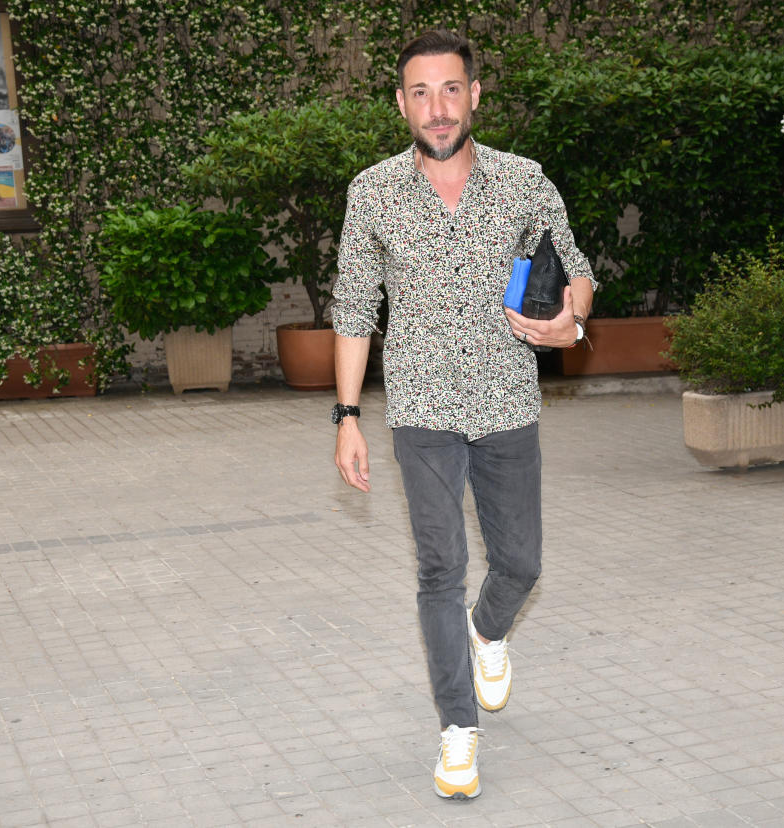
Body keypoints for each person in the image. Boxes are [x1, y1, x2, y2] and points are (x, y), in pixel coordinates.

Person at [331, 29, 595, 800]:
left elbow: (575, 270)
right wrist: (347, 415)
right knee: (439, 568)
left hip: (508, 398)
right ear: (401, 103)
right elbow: (353, 308)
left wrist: (568, 325)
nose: (437, 108)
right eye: (420, 92)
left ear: (474, 95)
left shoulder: (523, 181)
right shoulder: (372, 192)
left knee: (520, 564)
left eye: (451, 90)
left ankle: (489, 630)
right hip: (419, 406)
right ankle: (457, 731)